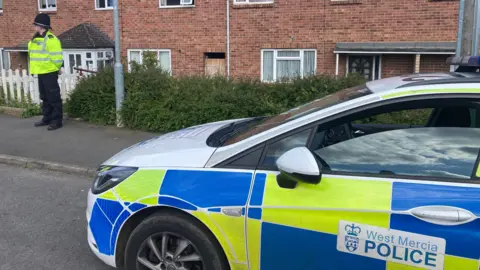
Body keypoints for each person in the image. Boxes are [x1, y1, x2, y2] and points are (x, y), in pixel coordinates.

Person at [28, 13, 64, 131]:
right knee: (44, 96)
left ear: (41, 26)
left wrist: (57, 68)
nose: (34, 27)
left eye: (36, 25)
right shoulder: (35, 39)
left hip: (49, 72)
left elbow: (57, 57)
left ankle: (57, 121)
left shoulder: (51, 40)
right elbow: (32, 55)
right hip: (40, 72)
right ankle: (47, 118)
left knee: (54, 97)